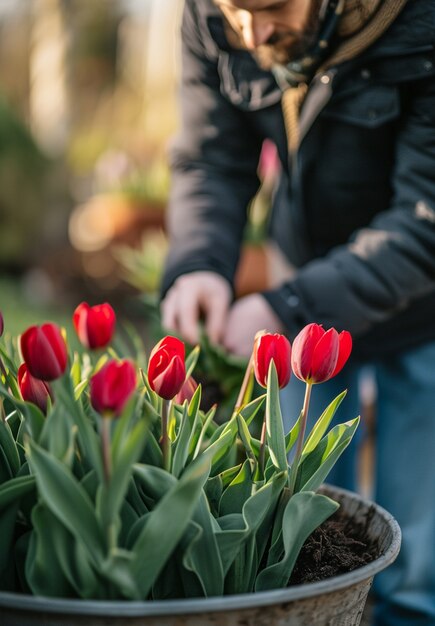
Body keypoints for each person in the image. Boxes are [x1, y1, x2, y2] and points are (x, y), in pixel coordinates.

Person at [160, 1, 435, 624]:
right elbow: (211, 156)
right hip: (301, 281)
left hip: (421, 301)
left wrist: (288, 308)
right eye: (238, 13)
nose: (253, 34)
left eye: (274, 8)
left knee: (414, 542)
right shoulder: (212, 14)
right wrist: (200, 262)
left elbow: (428, 219)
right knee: (302, 520)